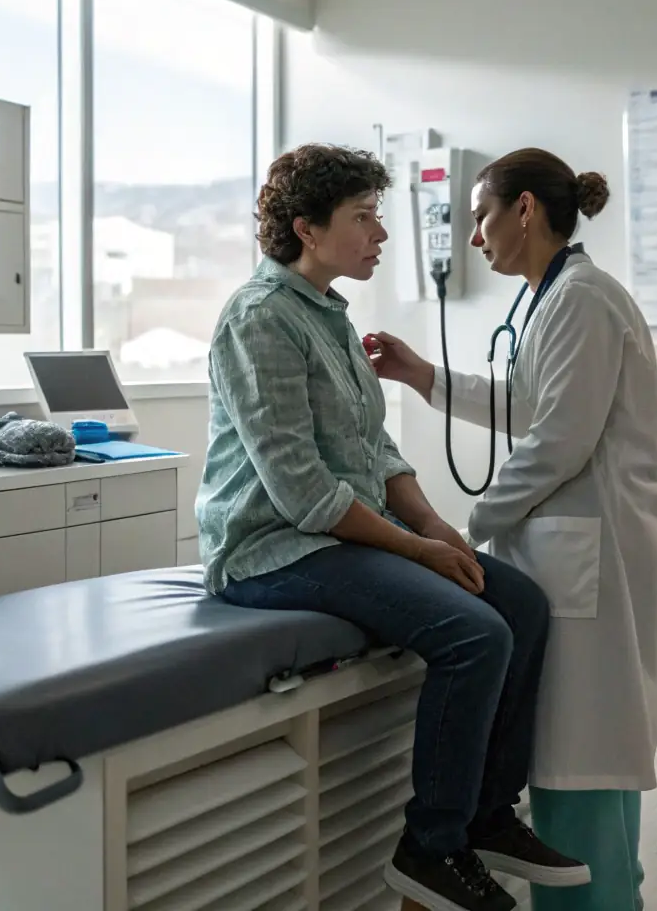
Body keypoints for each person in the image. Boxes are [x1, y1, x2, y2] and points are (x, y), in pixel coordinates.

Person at [196, 143, 590, 911]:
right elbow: (301, 488)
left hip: (340, 534)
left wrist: (437, 528)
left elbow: (375, 450)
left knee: (523, 605)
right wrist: (412, 548)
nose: (380, 234)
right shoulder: (258, 320)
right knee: (476, 634)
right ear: (307, 229)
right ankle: (431, 847)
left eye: (378, 217)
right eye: (364, 218)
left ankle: (483, 816)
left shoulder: (333, 318)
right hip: (270, 547)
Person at [368, 147, 657, 911]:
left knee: (578, 754)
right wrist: (422, 376)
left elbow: (557, 441)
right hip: (577, 552)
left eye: (480, 218)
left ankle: (595, 901)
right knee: (596, 749)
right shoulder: (555, 296)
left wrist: (463, 530)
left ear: (525, 210)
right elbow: (528, 398)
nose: (474, 238)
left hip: (589, 558)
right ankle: (611, 895)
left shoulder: (581, 301)